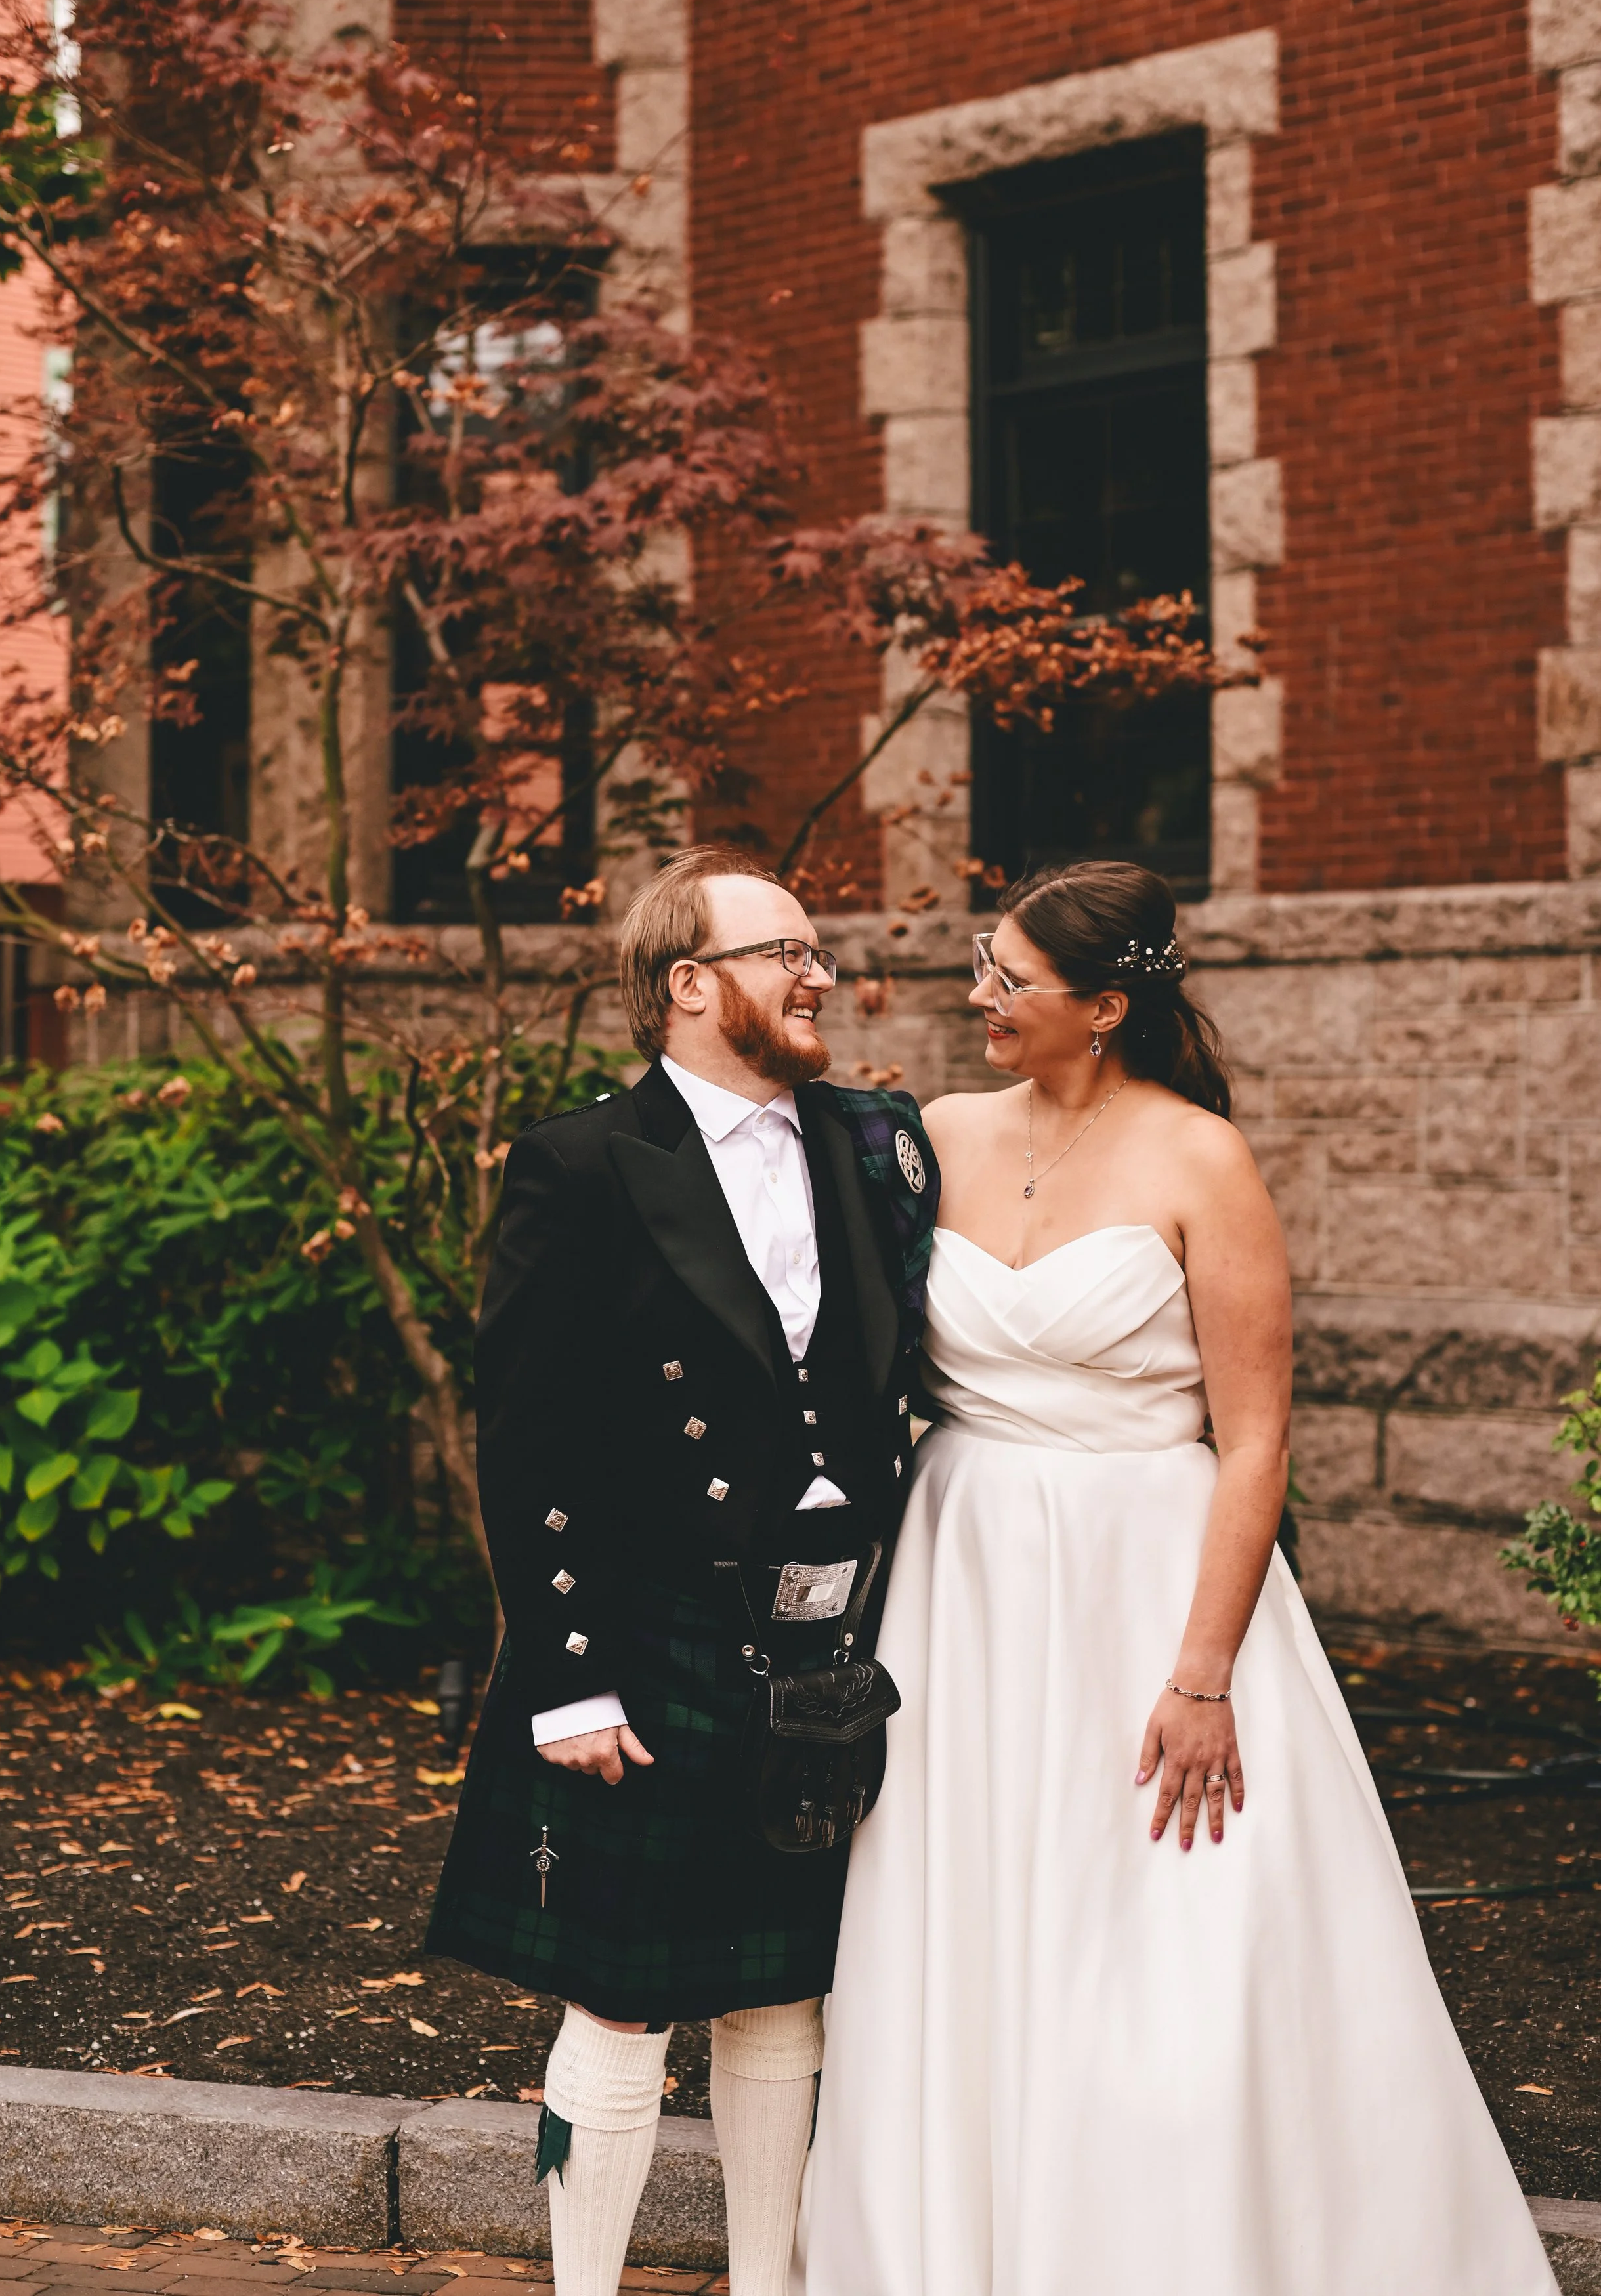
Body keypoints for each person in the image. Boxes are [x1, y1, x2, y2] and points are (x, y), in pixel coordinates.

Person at [795, 859, 1556, 2296]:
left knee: (1165, 1943)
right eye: (983, 960)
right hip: (961, 1583)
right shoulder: (933, 1135)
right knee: (963, 1928)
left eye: (1008, 976)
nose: (978, 992)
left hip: (1148, 1581)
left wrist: (1202, 1675)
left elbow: (1254, 1437)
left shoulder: (1203, 1159)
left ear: (1103, 1006)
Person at [425, 844, 939, 2296]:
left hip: (819, 1640)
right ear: (692, 982)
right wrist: (568, 1675)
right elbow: (529, 1435)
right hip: (653, 1631)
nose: (818, 974)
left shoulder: (872, 1142)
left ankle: (768, 2282)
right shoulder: (584, 1161)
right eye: (788, 952)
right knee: (623, 1998)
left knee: (780, 1995)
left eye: (816, 949)